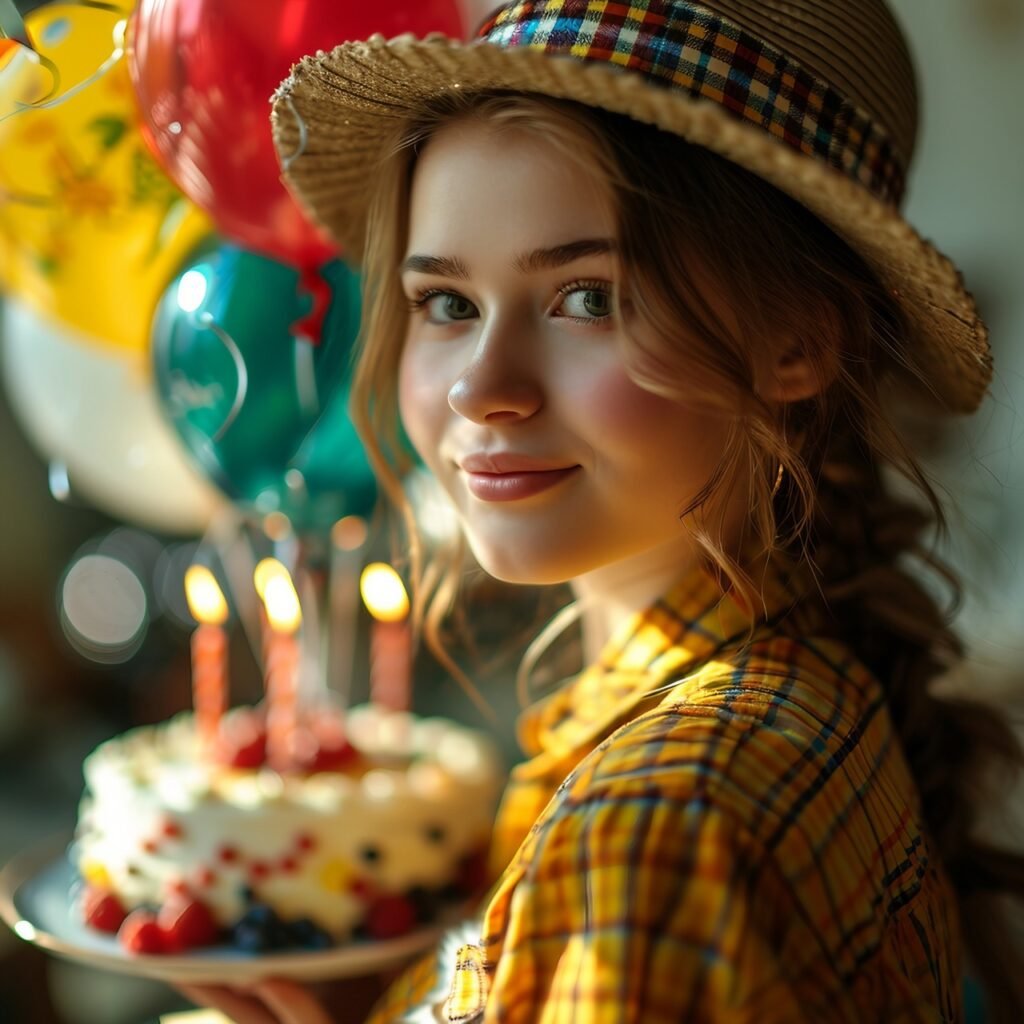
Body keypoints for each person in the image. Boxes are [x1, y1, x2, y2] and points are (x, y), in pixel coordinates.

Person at [181, 0, 1024, 1020]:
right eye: (446, 303)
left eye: (588, 296)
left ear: (797, 341)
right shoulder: (795, 690)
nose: (480, 387)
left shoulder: (654, 827)